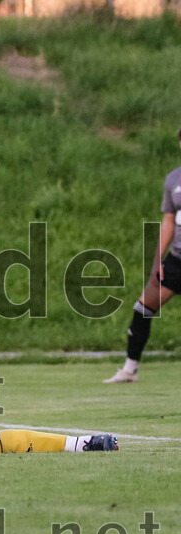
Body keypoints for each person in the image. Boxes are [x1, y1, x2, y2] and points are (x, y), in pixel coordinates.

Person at [103, 129, 181, 383]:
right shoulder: (173, 180)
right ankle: (129, 369)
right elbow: (168, 221)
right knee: (143, 309)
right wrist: (157, 259)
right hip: (177, 261)